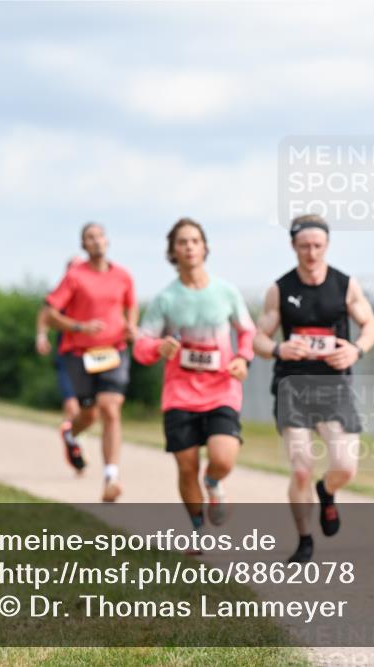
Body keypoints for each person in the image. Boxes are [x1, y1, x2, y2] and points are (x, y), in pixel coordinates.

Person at [253, 214, 374, 563]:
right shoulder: (281, 289)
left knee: (345, 466)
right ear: (293, 246)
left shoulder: (344, 285)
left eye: (317, 246)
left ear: (326, 245)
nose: (311, 253)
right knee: (300, 467)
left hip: (335, 387)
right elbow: (258, 339)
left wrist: (356, 349)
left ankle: (327, 492)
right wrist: (279, 349)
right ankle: (305, 538)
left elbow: (370, 324)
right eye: (304, 246)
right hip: (292, 387)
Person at [133, 219, 255, 541]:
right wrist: (159, 347)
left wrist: (243, 358)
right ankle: (199, 530)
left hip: (222, 390)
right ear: (173, 251)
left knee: (222, 458)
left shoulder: (225, 292)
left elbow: (247, 331)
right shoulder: (166, 299)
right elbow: (141, 345)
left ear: (205, 247)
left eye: (195, 240)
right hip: (180, 394)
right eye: (182, 242)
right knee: (186, 467)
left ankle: (214, 483)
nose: (189, 246)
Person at [42, 223, 138, 502]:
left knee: (110, 409)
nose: (96, 242)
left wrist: (131, 325)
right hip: (80, 354)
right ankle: (71, 435)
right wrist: (80, 326)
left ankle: (111, 477)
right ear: (83, 246)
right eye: (89, 238)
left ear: (108, 241)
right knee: (90, 414)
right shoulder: (74, 276)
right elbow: (50, 313)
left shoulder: (123, 275)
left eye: (99, 236)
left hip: (114, 351)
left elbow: (131, 304)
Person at [36, 258, 84, 472]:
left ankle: (69, 435)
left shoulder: (89, 294)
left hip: (91, 359)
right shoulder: (60, 294)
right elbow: (45, 314)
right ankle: (71, 439)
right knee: (72, 406)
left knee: (93, 411)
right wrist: (41, 336)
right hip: (66, 356)